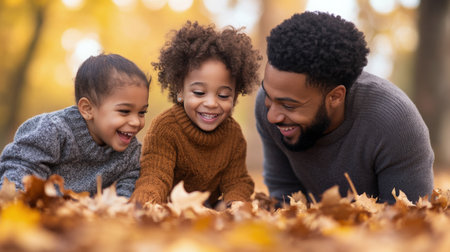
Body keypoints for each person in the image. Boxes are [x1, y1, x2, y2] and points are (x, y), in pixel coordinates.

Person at [255, 11, 434, 205]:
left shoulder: (395, 123)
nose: (272, 116)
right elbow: (284, 200)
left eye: (289, 105)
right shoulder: (268, 107)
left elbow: (409, 220)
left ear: (335, 97)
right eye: (268, 97)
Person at [131, 21, 261, 208]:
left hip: (210, 212)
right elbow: (155, 175)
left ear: (235, 95)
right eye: (199, 93)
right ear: (180, 91)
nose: (211, 103)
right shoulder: (166, 128)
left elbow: (237, 181)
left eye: (223, 95)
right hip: (170, 210)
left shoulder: (233, 135)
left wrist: (236, 205)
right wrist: (146, 204)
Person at [0, 53, 150, 198]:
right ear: (87, 109)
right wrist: (19, 200)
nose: (136, 122)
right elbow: (20, 167)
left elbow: (126, 192)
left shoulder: (131, 153)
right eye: (124, 111)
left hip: (84, 220)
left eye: (142, 112)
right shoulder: (53, 130)